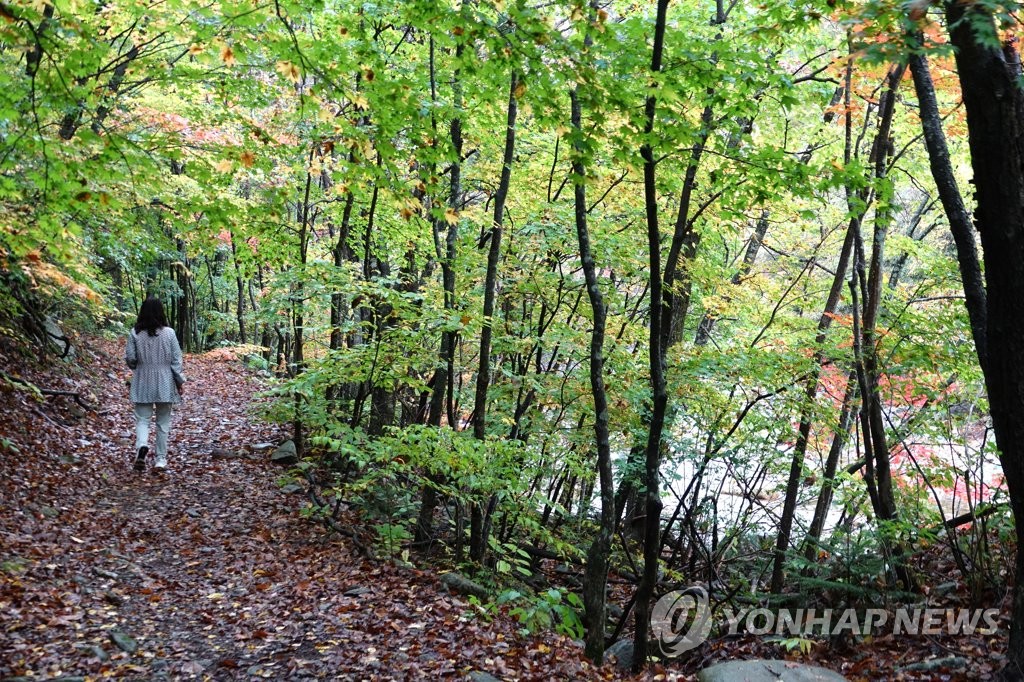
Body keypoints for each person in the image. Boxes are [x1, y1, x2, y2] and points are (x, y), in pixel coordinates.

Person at [125, 296, 186, 472]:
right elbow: (176, 361)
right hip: (165, 380)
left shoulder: (135, 333)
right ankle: (160, 459)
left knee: (142, 419)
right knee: (162, 423)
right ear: (161, 312)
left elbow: (131, 359)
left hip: (143, 379)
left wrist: (138, 365)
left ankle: (142, 446)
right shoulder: (170, 333)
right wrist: (180, 381)